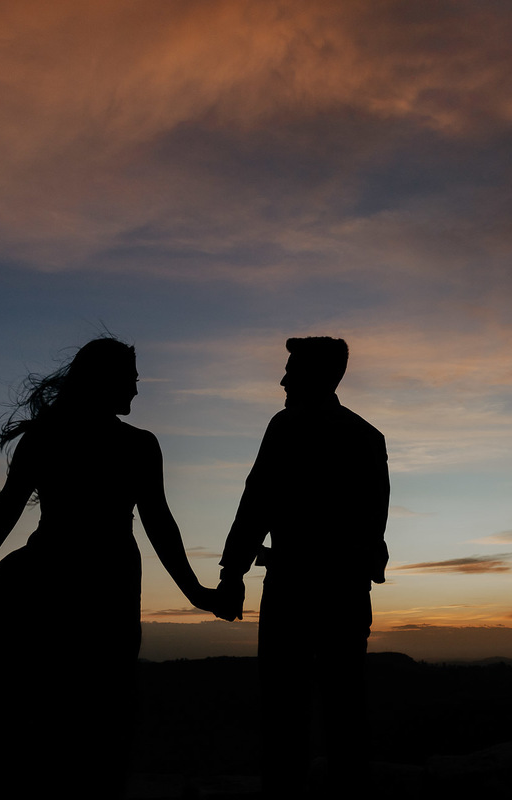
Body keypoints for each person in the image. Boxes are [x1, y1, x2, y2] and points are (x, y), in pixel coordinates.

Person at [0, 336, 215, 799]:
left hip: (71, 574)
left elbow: (157, 522)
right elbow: (8, 510)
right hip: (89, 577)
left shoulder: (63, 437)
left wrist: (198, 592)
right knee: (89, 697)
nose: (137, 392)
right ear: (106, 381)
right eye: (131, 381)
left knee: (84, 695)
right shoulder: (122, 443)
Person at [215, 336, 389, 799]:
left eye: (291, 370)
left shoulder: (287, 428)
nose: (283, 379)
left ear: (316, 376)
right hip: (342, 594)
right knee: (343, 708)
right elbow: (374, 526)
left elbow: (255, 506)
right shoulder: (366, 436)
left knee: (287, 711)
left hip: (294, 591)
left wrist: (233, 574)